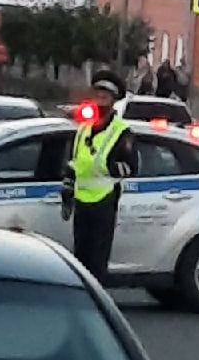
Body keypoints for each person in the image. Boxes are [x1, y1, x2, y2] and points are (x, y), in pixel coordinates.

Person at [61, 70, 137, 283]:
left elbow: (131, 167)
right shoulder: (84, 129)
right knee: (80, 260)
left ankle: (96, 303)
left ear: (114, 100)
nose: (100, 98)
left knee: (96, 262)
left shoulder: (121, 131)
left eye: (106, 95)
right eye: (98, 93)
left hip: (104, 200)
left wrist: (110, 166)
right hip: (82, 202)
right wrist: (67, 190)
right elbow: (73, 163)